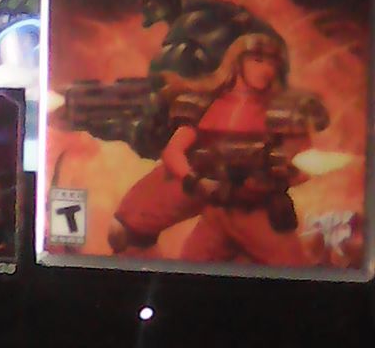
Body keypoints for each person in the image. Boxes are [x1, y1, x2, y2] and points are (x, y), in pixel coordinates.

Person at [111, 33, 321, 266]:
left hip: (251, 204)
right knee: (124, 232)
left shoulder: (283, 111)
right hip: (201, 185)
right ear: (237, 62)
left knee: (290, 269)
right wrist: (195, 180)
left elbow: (304, 165)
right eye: (257, 60)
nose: (266, 70)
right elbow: (173, 152)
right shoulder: (204, 101)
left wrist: (271, 179)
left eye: (272, 63)